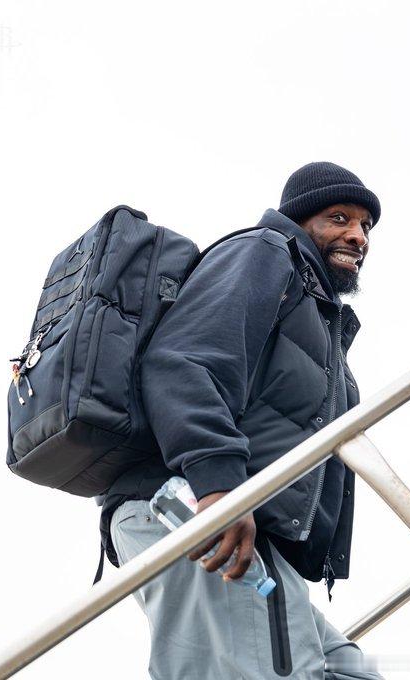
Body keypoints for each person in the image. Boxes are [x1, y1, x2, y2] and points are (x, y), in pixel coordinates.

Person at [99, 162, 385, 679]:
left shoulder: (315, 309)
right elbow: (183, 361)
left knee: (348, 670)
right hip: (196, 504)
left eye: (365, 226)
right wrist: (220, 486)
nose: (357, 236)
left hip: (245, 527)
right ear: (300, 219)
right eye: (339, 218)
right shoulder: (266, 253)